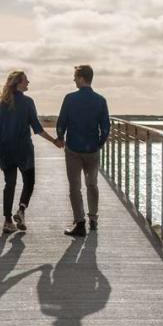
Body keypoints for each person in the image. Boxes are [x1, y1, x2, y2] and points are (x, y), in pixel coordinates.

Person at [0, 70, 58, 235]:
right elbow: (37, 128)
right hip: (23, 150)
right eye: (26, 81)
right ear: (18, 83)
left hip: (6, 149)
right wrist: (54, 141)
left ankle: (7, 221)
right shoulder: (28, 102)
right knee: (29, 181)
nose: (28, 83)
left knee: (10, 184)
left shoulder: (3, 103)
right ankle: (21, 210)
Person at [53, 64, 110, 237]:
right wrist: (99, 144)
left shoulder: (70, 98)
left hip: (73, 149)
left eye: (75, 77)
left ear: (81, 78)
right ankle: (93, 219)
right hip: (92, 149)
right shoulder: (100, 100)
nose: (73, 80)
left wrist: (61, 137)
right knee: (92, 184)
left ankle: (80, 222)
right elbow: (106, 127)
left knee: (75, 186)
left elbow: (61, 122)